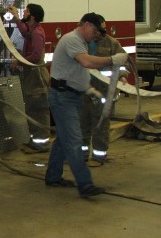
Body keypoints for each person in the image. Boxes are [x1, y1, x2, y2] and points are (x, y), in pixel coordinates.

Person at [44, 12, 128, 199]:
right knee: (74, 140)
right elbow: (87, 62)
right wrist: (112, 60)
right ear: (88, 25)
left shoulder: (81, 42)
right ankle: (85, 184)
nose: (96, 37)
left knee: (62, 140)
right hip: (63, 98)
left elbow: (78, 71)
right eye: (96, 32)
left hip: (72, 96)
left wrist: (87, 89)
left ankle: (53, 176)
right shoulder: (72, 40)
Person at [79, 16, 128, 164]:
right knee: (82, 125)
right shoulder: (81, 42)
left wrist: (122, 76)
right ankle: (81, 155)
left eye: (103, 30)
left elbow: (123, 62)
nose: (100, 33)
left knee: (101, 125)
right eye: (98, 30)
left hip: (103, 92)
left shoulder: (112, 44)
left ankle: (99, 155)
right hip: (83, 91)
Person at [8, 4, 51, 152]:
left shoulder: (37, 33)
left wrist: (19, 61)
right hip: (31, 75)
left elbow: (36, 56)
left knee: (38, 109)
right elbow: (25, 32)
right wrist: (16, 17)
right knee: (32, 109)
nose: (24, 12)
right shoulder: (32, 30)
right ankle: (35, 141)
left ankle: (41, 144)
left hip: (36, 76)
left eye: (26, 11)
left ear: (32, 16)